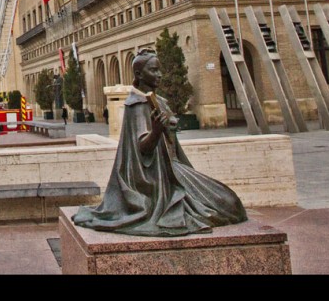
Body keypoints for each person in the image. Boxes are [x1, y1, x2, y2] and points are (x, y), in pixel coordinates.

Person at [72, 49, 247, 237]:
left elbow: (171, 144)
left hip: (171, 169)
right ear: (139, 74)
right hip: (154, 178)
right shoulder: (137, 105)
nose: (160, 75)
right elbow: (142, 148)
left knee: (229, 201)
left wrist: (169, 130)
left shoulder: (160, 102)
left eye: (159, 70)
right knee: (225, 204)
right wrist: (156, 132)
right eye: (154, 70)